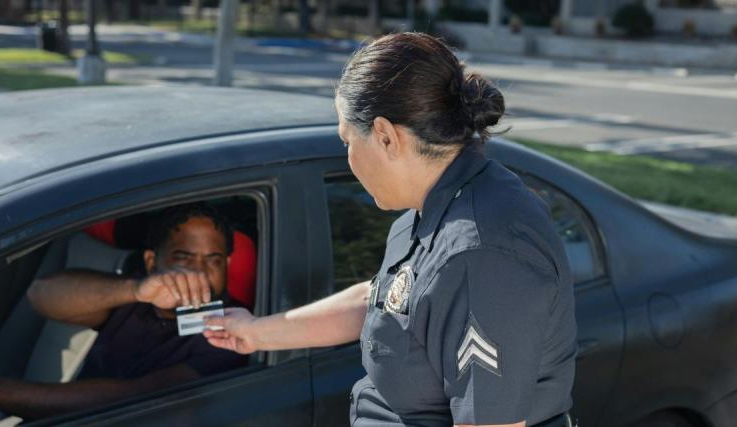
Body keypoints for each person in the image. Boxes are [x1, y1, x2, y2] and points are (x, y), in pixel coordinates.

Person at [204, 32, 577, 427]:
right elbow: (385, 300)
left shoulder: (479, 254)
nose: (347, 156)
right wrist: (254, 333)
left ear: (385, 136)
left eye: (347, 140)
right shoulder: (436, 206)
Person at [0, 203, 247, 423]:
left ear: (228, 266)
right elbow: (41, 295)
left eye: (213, 260)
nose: (197, 272)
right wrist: (136, 290)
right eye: (184, 258)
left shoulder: (232, 328)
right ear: (152, 261)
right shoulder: (140, 294)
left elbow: (134, 398)